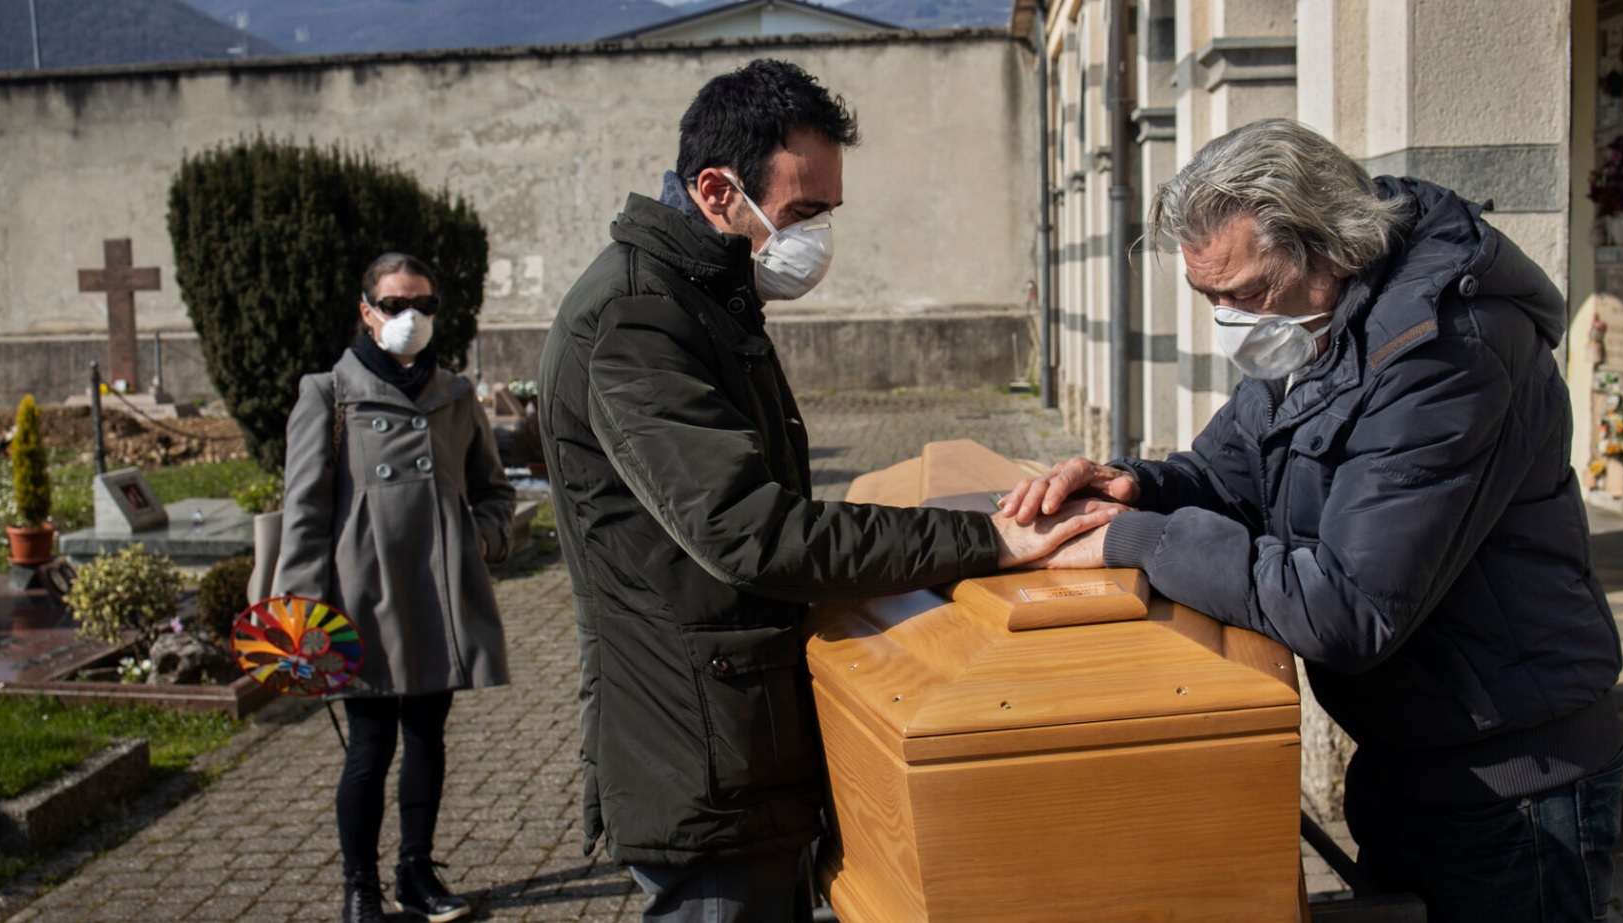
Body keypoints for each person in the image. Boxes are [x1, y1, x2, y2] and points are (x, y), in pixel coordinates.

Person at [1004, 119, 1623, 922]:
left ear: (1330, 249)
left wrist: (1130, 540)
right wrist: (1128, 486)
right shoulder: (1310, 330)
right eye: (1208, 298)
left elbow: (1346, 607)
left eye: (1245, 294)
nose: (1229, 319)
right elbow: (1223, 474)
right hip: (1412, 755)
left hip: (1514, 783)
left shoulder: (1446, 353)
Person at [537, 59, 1113, 922]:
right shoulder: (637, 317)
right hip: (701, 755)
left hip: (739, 735)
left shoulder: (701, 297)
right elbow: (752, 532)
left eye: (825, 213)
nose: (815, 238)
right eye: (802, 212)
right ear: (715, 190)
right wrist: (986, 541)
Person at [274, 252, 516, 923]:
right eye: (395, 303)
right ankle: (361, 887)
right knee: (369, 746)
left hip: (438, 594)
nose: (411, 317)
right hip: (361, 600)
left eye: (424, 305)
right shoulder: (327, 394)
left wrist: (484, 539)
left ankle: (416, 869)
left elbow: (493, 489)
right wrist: (298, 614)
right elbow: (303, 512)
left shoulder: (456, 394)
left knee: (428, 737)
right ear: (366, 311)